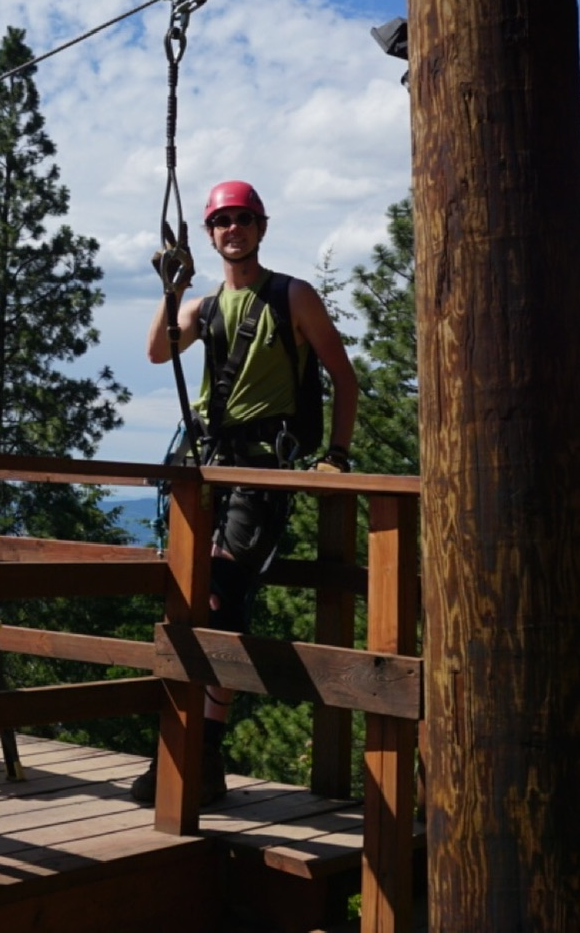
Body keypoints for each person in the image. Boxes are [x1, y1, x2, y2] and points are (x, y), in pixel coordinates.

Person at [132, 178, 360, 805]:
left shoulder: (292, 296)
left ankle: (203, 753)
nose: (232, 229)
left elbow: (344, 378)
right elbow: (156, 352)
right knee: (188, 597)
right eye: (222, 222)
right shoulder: (204, 307)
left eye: (242, 220)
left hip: (261, 471)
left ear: (261, 228)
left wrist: (335, 457)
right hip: (209, 467)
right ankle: (185, 751)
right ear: (210, 235)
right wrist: (174, 288)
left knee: (221, 597)